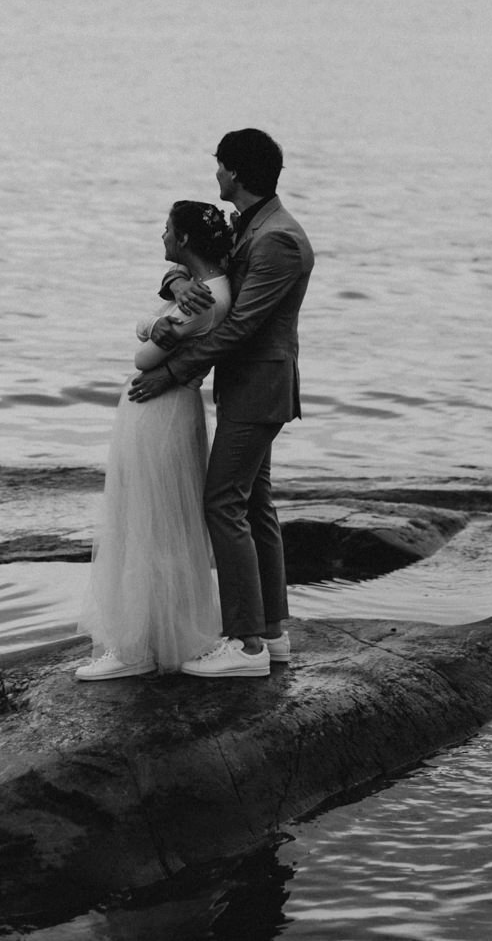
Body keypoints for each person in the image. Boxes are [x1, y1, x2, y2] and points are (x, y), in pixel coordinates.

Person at [130, 128, 313, 680]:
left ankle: (248, 645)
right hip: (247, 389)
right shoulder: (250, 227)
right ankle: (273, 634)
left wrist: (172, 373)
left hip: (259, 389)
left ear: (234, 172)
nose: (215, 174)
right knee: (254, 505)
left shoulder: (278, 239)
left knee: (222, 505)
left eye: (218, 166)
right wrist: (173, 281)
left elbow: (240, 325)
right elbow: (198, 268)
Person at [74, 200, 235, 680]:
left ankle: (136, 648)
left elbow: (144, 357)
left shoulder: (205, 299)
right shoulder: (201, 286)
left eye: (167, 229)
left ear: (184, 239)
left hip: (159, 411)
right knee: (155, 519)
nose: (162, 236)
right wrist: (156, 321)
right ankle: (151, 638)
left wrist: (154, 330)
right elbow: (149, 326)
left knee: (147, 521)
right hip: (165, 410)